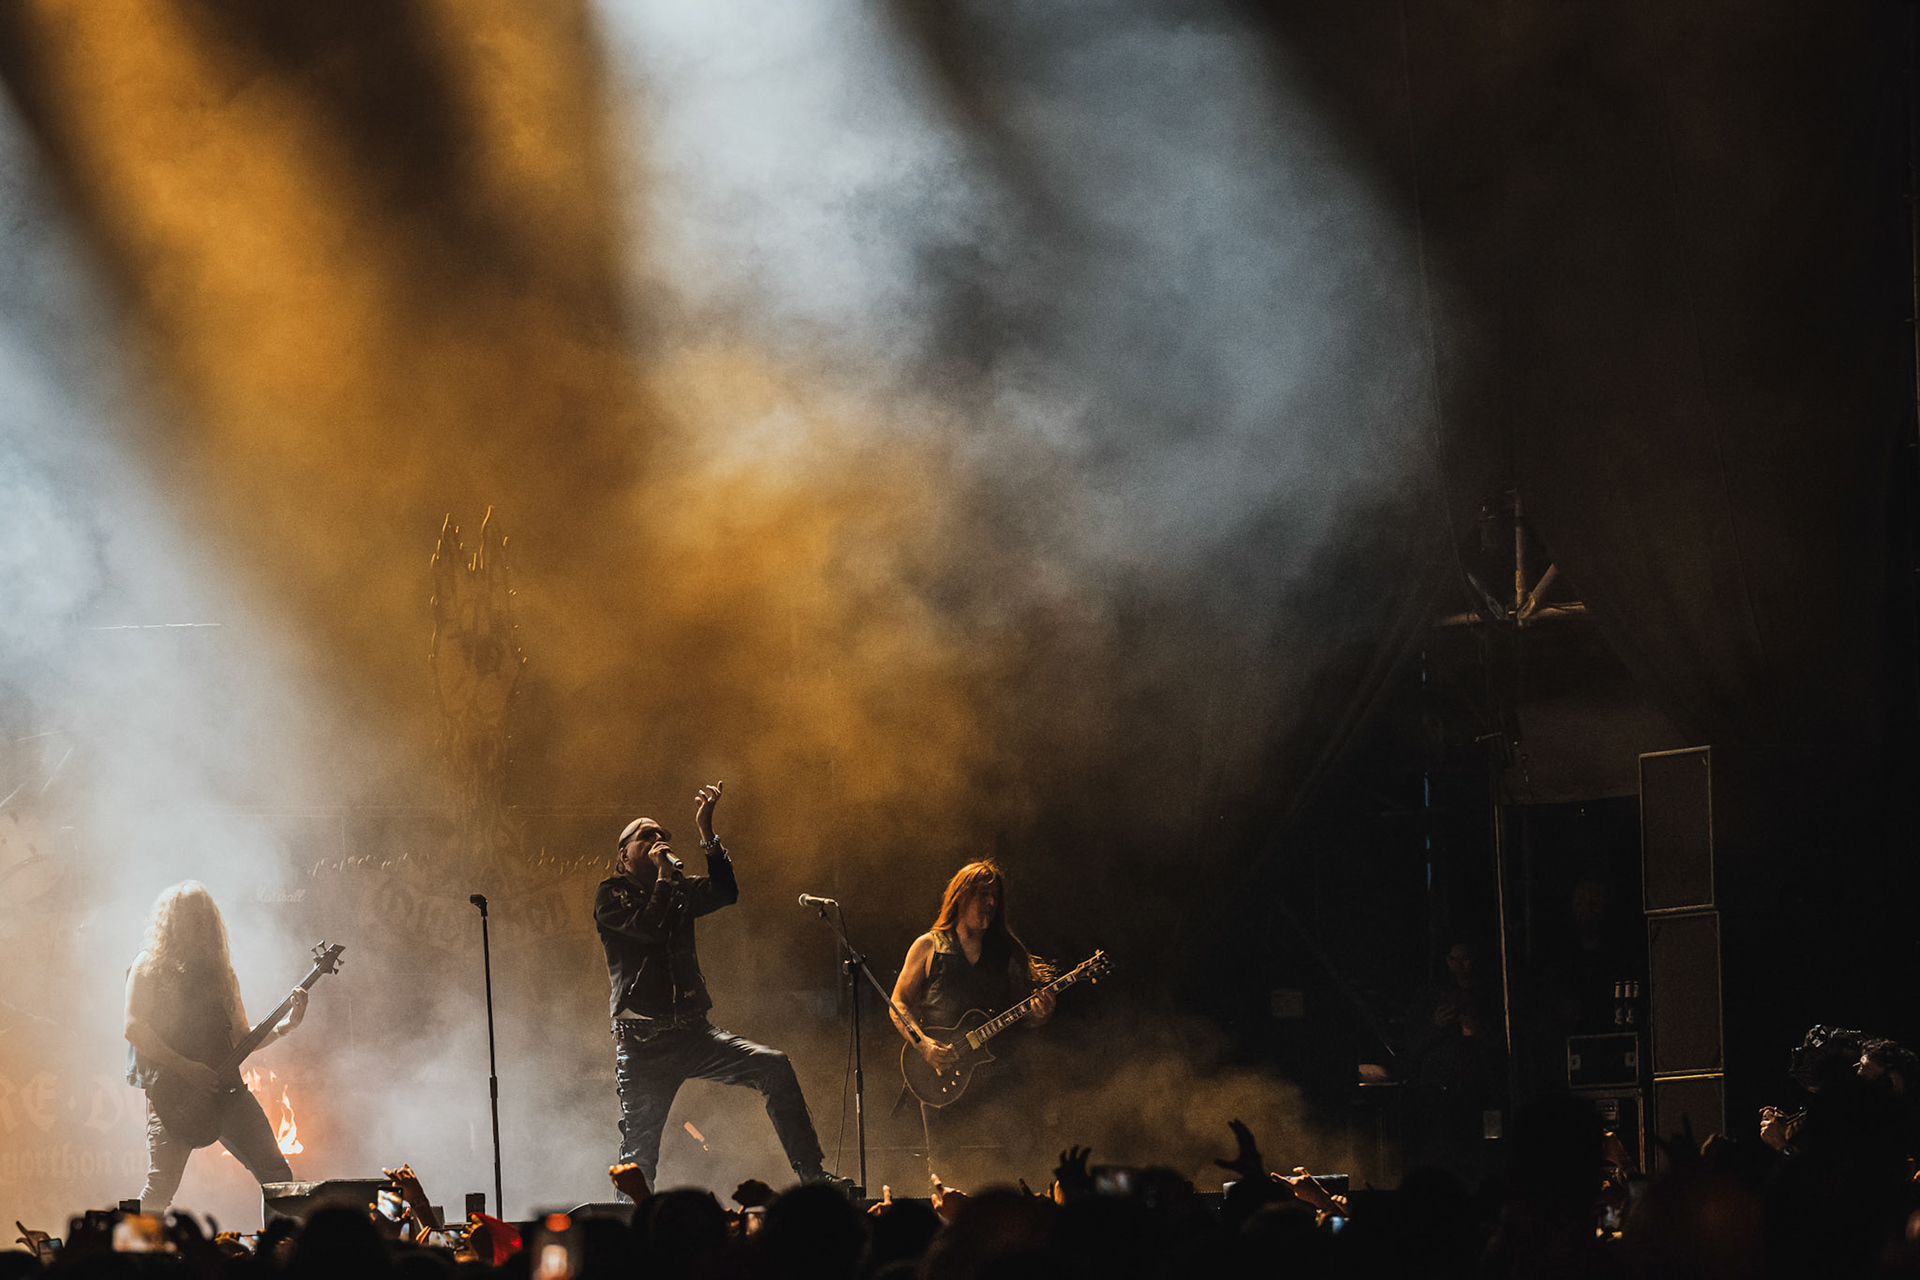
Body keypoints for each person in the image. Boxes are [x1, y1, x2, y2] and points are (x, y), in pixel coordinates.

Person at [595, 780, 846, 1191]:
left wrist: (707, 834)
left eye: (662, 835)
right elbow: (649, 929)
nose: (658, 840)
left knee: (774, 1067)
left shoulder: (676, 889)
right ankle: (635, 1224)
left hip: (693, 1033)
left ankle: (814, 1178)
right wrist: (664, 878)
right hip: (644, 1047)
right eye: (647, 835)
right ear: (624, 855)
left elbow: (725, 891)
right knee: (639, 1154)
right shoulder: (612, 894)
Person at [123, 880, 307, 1211]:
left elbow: (241, 1037)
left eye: (205, 916)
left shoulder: (222, 974)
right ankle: (128, 1260)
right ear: (173, 921)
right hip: (175, 1095)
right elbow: (134, 1027)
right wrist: (185, 1068)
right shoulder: (147, 964)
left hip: (228, 1094)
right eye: (191, 916)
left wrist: (286, 1027)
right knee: (160, 1189)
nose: (200, 923)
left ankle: (278, 1258)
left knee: (277, 1176)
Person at [889, 861, 1055, 1183]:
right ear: (961, 897)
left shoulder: (1008, 952)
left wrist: (1041, 1014)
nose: (991, 903)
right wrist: (922, 1045)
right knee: (946, 1167)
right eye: (982, 894)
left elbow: (1028, 1016)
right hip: (942, 1074)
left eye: (995, 896)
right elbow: (898, 1004)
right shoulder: (928, 946)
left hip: (999, 1077)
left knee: (1017, 1162)